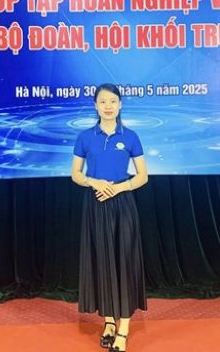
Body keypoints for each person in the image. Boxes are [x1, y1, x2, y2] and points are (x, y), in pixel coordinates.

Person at [71, 83, 149, 352]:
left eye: (113, 101)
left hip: (123, 203)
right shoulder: (85, 137)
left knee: (124, 261)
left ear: (120, 105)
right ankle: (108, 322)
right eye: (103, 101)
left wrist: (118, 188)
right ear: (95, 105)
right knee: (102, 261)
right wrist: (94, 182)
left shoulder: (131, 136)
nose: (108, 106)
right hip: (95, 204)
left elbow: (142, 176)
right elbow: (76, 174)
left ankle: (123, 329)